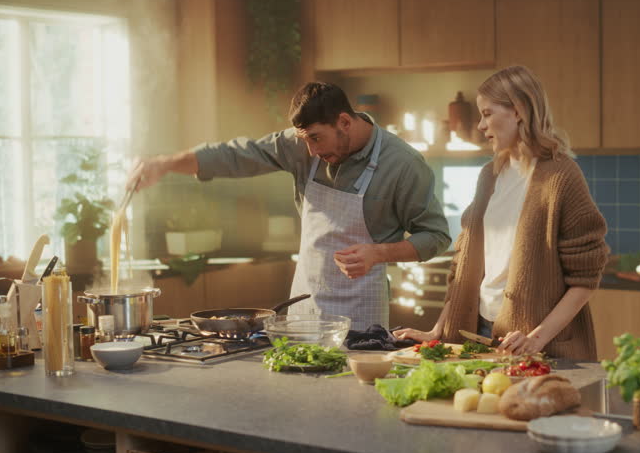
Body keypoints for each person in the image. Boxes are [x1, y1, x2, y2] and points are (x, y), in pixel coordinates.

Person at [127, 82, 451, 330]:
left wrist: (380, 253)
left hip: (361, 320)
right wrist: (165, 164)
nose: (309, 151)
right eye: (304, 140)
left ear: (344, 122)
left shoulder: (403, 164)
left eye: (316, 138)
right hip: (303, 312)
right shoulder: (301, 146)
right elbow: (237, 155)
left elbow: (436, 235)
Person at [393, 65, 609, 361]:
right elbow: (464, 267)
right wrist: (437, 331)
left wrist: (535, 339)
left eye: (487, 113)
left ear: (518, 111)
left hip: (537, 344)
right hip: (477, 334)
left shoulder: (561, 177)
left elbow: (585, 279)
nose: (481, 125)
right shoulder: (489, 176)